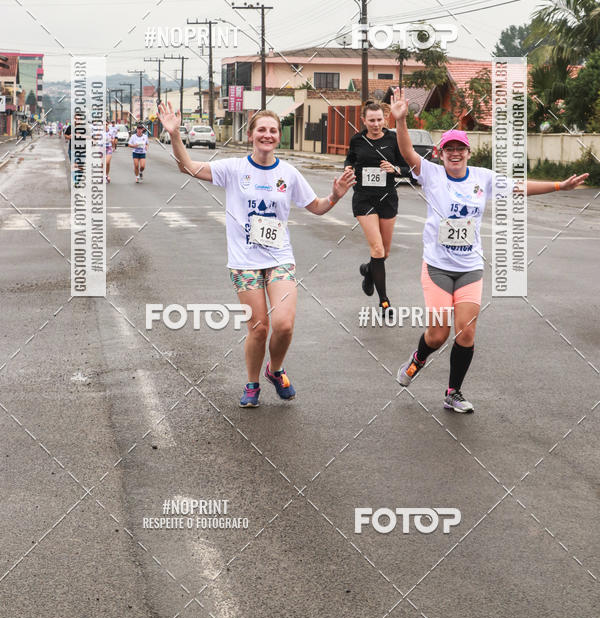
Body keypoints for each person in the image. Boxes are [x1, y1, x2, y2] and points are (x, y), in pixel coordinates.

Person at [390, 87, 589, 413]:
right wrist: (400, 122)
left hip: (469, 266)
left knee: (465, 332)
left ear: (469, 153)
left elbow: (519, 187)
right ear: (440, 154)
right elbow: (408, 152)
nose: (455, 153)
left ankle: (453, 392)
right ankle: (417, 359)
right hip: (437, 266)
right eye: (449, 149)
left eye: (461, 149)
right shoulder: (432, 175)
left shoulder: (483, 178)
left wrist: (559, 186)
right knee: (438, 335)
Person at [158, 101, 355, 408]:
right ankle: (252, 384)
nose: (267, 135)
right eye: (261, 129)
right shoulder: (234, 168)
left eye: (273, 130)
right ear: (250, 135)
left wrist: (334, 196)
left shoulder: (288, 173)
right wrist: (174, 135)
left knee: (285, 325)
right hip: (244, 261)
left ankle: (275, 370)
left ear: (279, 137)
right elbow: (189, 167)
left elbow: (316, 207)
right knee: (259, 327)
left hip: (279, 259)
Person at [343, 100, 405, 312]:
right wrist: (348, 168)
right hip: (364, 199)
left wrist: (395, 168)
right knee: (377, 248)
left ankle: (368, 271)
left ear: (384, 119)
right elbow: (349, 159)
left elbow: (407, 167)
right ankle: (385, 301)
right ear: (364, 121)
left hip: (387, 197)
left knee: (384, 253)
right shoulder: (357, 140)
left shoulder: (393, 139)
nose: (376, 124)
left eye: (379, 120)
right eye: (371, 120)